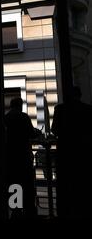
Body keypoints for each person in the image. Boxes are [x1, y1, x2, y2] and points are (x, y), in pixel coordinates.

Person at [52, 86, 92, 218]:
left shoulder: (60, 109)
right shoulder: (88, 109)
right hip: (83, 151)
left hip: (64, 151)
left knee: (65, 184)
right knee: (82, 183)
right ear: (80, 95)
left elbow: (54, 130)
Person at [4, 97, 39, 218]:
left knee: (14, 182)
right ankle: (29, 209)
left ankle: (16, 209)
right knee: (26, 183)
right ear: (20, 105)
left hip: (10, 156)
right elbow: (31, 133)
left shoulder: (6, 117)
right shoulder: (24, 117)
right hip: (24, 155)